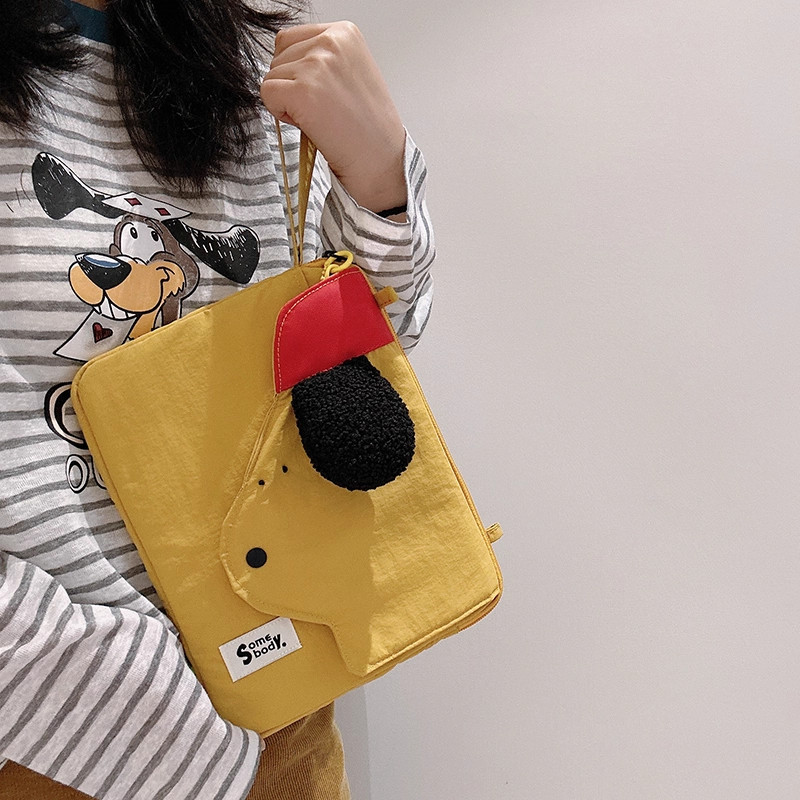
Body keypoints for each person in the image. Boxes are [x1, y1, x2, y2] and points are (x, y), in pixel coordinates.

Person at [0, 0, 435, 797]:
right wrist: (160, 725)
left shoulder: (247, 60)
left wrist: (380, 186)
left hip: (289, 717)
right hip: (54, 745)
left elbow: (360, 375)